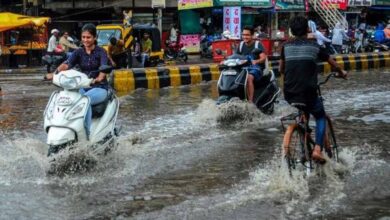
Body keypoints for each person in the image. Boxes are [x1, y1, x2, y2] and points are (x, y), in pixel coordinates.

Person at [279, 16, 347, 162]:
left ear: (291, 31)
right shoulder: (315, 46)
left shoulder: (285, 47)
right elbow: (333, 63)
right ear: (308, 30)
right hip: (308, 92)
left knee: (304, 108)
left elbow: (281, 68)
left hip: (289, 93)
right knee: (321, 116)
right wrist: (342, 72)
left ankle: (304, 138)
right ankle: (317, 149)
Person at [46, 23, 109, 139]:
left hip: (99, 87)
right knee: (68, 99)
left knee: (85, 100)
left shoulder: (101, 52)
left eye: (88, 37)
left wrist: (99, 78)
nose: (85, 40)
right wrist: (54, 74)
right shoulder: (78, 52)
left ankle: (86, 134)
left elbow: (104, 67)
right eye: (83, 37)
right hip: (83, 86)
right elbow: (67, 64)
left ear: (95, 38)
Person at [236, 26, 267, 103]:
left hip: (256, 68)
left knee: (248, 77)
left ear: (252, 35)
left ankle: (250, 101)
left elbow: (263, 58)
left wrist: (255, 61)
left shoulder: (257, 44)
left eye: (247, 35)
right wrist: (225, 61)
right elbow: (235, 56)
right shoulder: (240, 45)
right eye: (243, 35)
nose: (245, 37)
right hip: (244, 68)